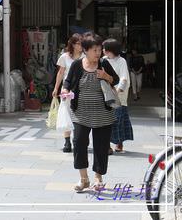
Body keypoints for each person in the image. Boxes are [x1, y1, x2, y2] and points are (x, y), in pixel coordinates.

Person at [62, 32, 119, 192]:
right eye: (95, 50)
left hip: (103, 114)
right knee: (79, 143)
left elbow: (115, 79)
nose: (98, 53)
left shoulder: (104, 64)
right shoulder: (76, 65)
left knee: (101, 147)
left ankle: (98, 178)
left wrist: (106, 76)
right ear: (85, 50)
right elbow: (68, 81)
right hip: (80, 113)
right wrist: (65, 89)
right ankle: (84, 179)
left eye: (99, 50)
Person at [52, 33, 83, 153]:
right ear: (73, 44)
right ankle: (67, 141)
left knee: (79, 114)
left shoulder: (85, 56)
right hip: (67, 90)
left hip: (81, 89)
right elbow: (60, 73)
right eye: (78, 43)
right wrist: (56, 88)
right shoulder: (64, 56)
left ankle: (78, 139)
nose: (80, 46)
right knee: (67, 114)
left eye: (81, 43)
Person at [103, 39, 133, 153]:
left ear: (111, 50)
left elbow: (124, 79)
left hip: (118, 95)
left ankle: (119, 142)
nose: (103, 50)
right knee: (106, 121)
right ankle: (107, 144)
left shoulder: (121, 61)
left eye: (105, 48)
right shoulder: (104, 60)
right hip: (106, 94)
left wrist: (118, 90)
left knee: (118, 120)